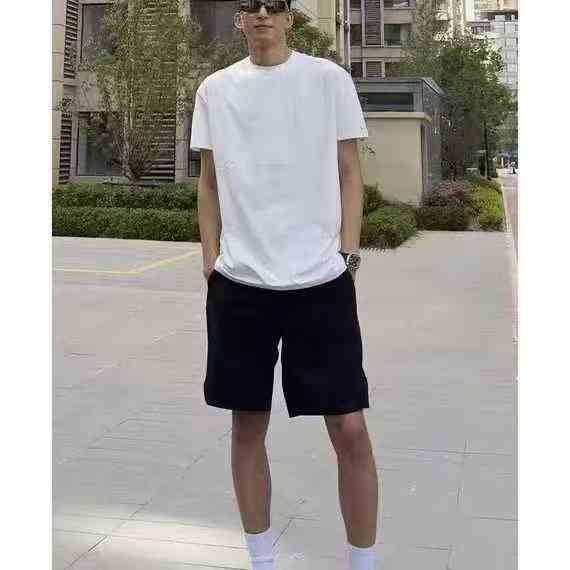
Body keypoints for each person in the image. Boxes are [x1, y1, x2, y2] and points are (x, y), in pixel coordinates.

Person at [190, 1, 379, 568]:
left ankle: (363, 561)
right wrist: (210, 259)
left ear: (290, 18)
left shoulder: (328, 80)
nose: (262, 15)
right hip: (240, 283)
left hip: (320, 281)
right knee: (247, 423)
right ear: (239, 20)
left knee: (349, 426)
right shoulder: (215, 90)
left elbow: (350, 171)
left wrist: (348, 254)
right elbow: (208, 183)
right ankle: (261, 560)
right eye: (250, 7)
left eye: (274, 6)